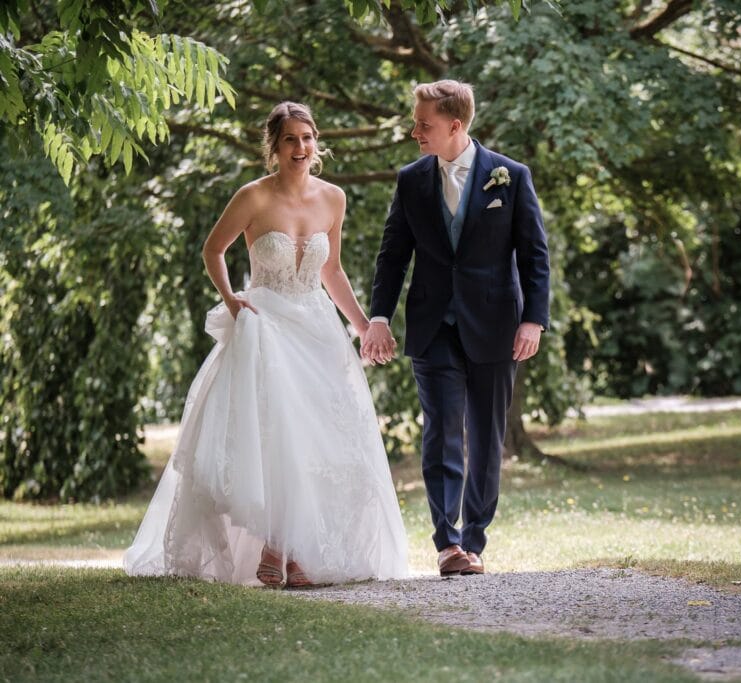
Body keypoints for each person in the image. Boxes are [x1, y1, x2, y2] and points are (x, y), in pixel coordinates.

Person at [124, 102, 408, 587]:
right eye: (290, 139)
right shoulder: (253, 197)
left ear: (317, 143)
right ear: (273, 148)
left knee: (323, 440)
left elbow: (331, 270)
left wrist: (363, 325)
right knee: (278, 436)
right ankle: (277, 551)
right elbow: (213, 249)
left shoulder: (334, 198)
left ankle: (296, 551)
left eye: (307, 137)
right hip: (267, 325)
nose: (301, 148)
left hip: (318, 329)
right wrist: (232, 299)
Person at [361, 80, 550, 576]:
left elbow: (534, 255)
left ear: (454, 125)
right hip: (433, 326)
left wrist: (534, 319)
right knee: (443, 430)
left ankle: (475, 539)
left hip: (496, 326)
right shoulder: (411, 179)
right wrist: (378, 316)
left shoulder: (510, 176)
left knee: (486, 436)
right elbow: (393, 254)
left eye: (423, 124)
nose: (414, 131)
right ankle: (447, 544)